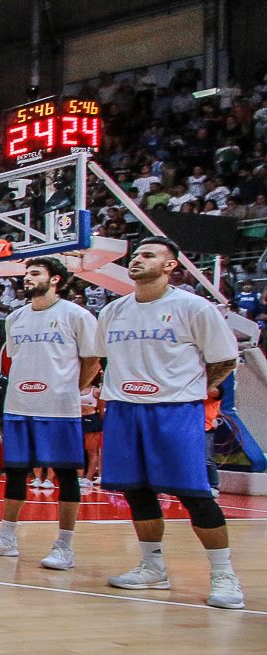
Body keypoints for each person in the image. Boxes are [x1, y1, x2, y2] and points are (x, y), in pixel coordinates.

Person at [97, 237, 243, 608]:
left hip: (175, 410)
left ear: (170, 265)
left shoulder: (195, 308)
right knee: (137, 491)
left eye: (148, 255)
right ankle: (152, 567)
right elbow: (102, 359)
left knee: (194, 494)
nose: (137, 259)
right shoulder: (113, 311)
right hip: (124, 409)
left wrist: (194, 389)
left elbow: (225, 359)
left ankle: (224, 575)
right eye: (135, 254)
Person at [0, 257, 102, 567]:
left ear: (55, 279)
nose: (27, 278)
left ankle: (64, 546)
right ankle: (6, 538)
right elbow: (18, 361)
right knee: (16, 473)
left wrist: (69, 388)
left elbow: (93, 360)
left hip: (59, 410)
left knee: (67, 475)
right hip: (18, 407)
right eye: (26, 273)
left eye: (35, 273)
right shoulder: (16, 317)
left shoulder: (77, 316)